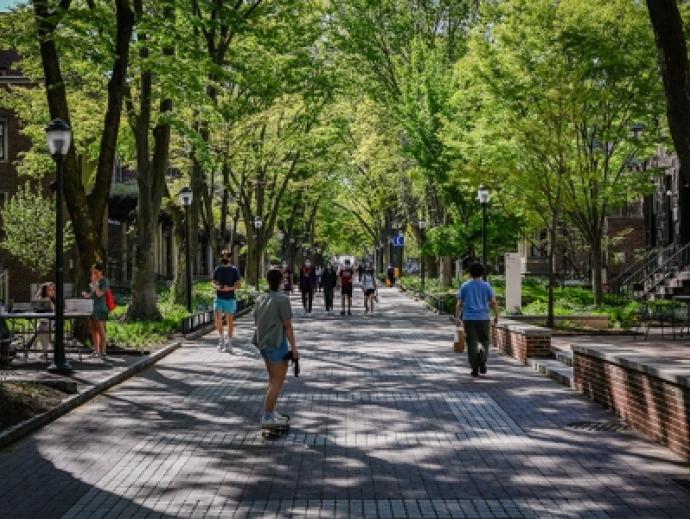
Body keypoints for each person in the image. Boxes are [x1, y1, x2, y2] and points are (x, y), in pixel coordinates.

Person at [254, 268, 299, 430]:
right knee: (277, 382)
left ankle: (271, 412)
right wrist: (294, 348)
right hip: (277, 344)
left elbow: (256, 320)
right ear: (281, 281)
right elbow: (287, 326)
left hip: (263, 343)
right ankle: (267, 416)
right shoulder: (282, 299)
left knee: (272, 380)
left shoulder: (260, 298)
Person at [455, 262, 499, 377]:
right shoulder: (486, 286)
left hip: (469, 319)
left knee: (471, 343)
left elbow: (459, 303)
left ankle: (474, 368)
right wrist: (496, 315)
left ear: (470, 273)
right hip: (483, 318)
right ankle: (483, 358)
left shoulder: (465, 286)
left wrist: (457, 317)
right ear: (482, 273)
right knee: (484, 340)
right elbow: (493, 302)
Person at [212, 250, 241, 352]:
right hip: (219, 297)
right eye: (223, 256)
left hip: (230, 298)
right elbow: (213, 282)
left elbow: (238, 285)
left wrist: (229, 288)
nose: (225, 257)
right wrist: (217, 287)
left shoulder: (234, 270)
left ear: (230, 257)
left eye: (228, 255)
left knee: (229, 321)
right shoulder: (218, 269)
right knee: (217, 318)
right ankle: (221, 339)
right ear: (221, 258)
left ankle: (229, 341)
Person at [82, 263, 109, 360]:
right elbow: (92, 295)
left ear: (101, 272)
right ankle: (96, 350)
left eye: (96, 272)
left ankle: (103, 351)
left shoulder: (104, 281)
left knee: (101, 331)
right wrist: (86, 295)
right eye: (93, 272)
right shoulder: (93, 282)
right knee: (93, 331)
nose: (94, 274)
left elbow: (99, 294)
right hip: (92, 309)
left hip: (100, 309)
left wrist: (96, 284)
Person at [35, 283, 55, 359]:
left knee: (44, 329)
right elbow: (36, 307)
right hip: (43, 320)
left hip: (52, 321)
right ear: (44, 291)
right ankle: (45, 350)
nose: (52, 291)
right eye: (49, 290)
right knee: (40, 329)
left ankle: (45, 352)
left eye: (52, 290)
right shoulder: (41, 299)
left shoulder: (54, 299)